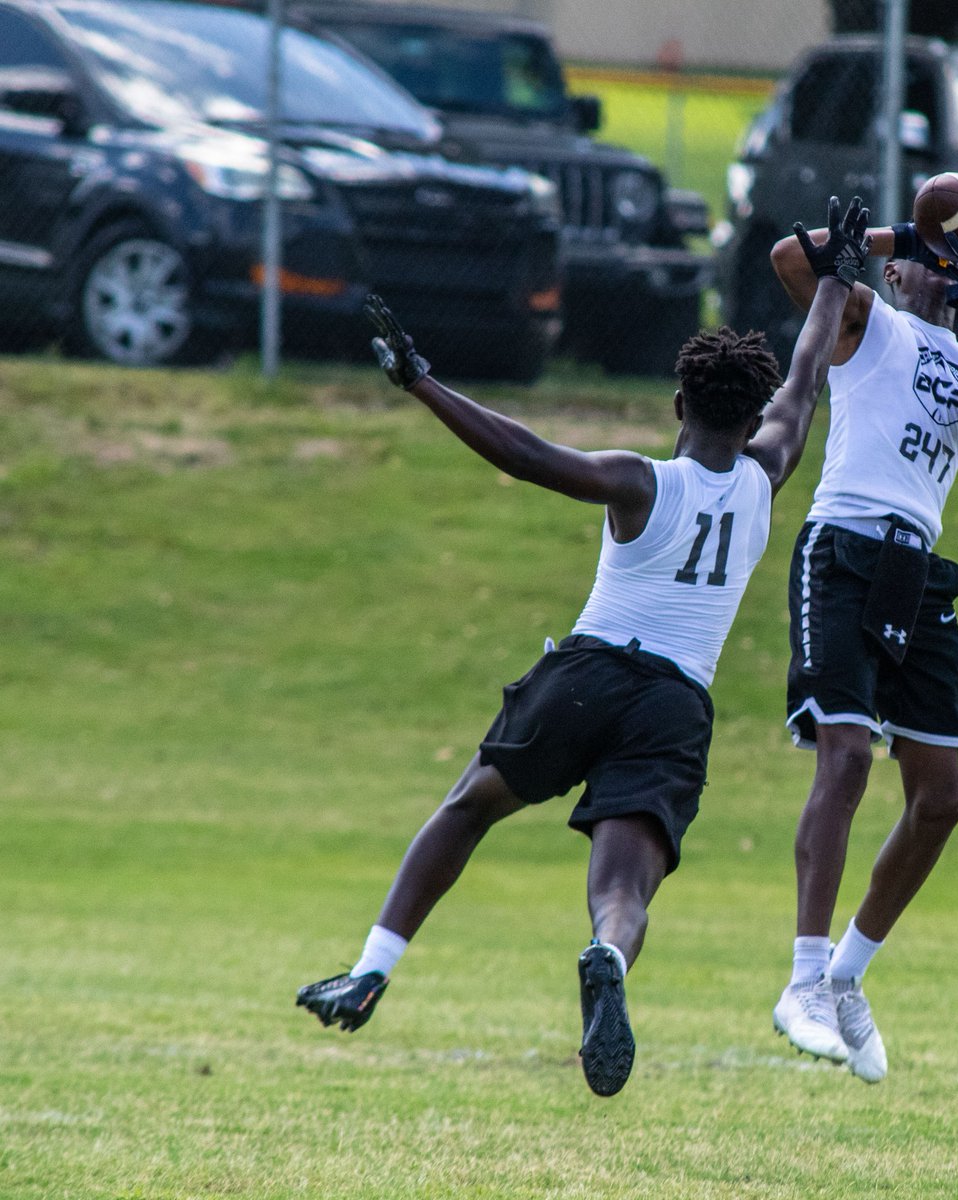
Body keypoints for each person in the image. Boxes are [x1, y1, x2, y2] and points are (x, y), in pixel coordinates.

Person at [295, 197, 872, 1097]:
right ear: (754, 411)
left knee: (469, 806)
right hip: (676, 704)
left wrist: (422, 383)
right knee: (624, 888)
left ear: (678, 404)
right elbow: (806, 372)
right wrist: (839, 277)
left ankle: (372, 965)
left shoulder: (637, 483)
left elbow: (524, 454)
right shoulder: (771, 469)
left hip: (592, 670)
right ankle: (606, 953)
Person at [767, 198, 958, 1083]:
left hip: (916, 572)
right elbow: (791, 260)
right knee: (844, 759)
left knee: (941, 798)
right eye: (922, 261)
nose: (932, 267)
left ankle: (844, 977)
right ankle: (800, 980)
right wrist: (906, 239)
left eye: (950, 258)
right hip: (841, 549)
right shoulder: (867, 324)